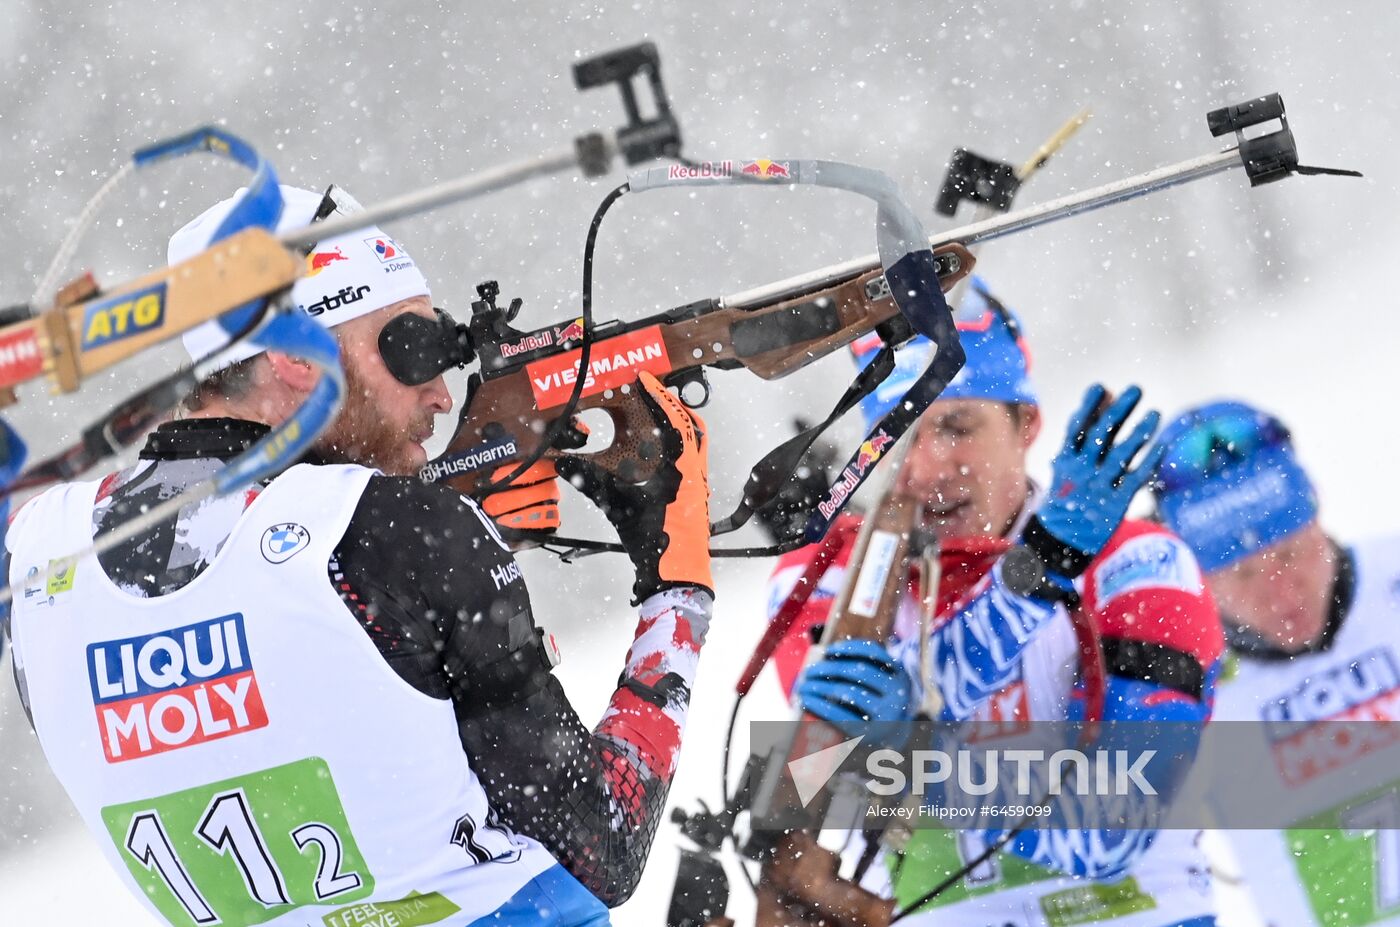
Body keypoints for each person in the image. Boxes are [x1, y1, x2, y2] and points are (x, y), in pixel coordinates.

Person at [3, 185, 714, 926]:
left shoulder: (42, 551)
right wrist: (677, 584)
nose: (441, 393)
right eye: (410, 348)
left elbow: (325, 692)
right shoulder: (390, 531)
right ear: (290, 357)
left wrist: (475, 553)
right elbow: (603, 842)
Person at [764, 279, 1225, 926]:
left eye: (956, 426)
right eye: (900, 434)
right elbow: (821, 778)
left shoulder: (1138, 562)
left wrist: (919, 755)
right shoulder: (827, 579)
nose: (926, 468)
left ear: (1025, 422)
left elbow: (1115, 827)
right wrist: (1039, 568)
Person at [1154, 400, 1400, 927]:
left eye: (1288, 553)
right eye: (1241, 575)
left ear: (1317, 513)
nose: (1279, 590)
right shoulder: (1182, 689)